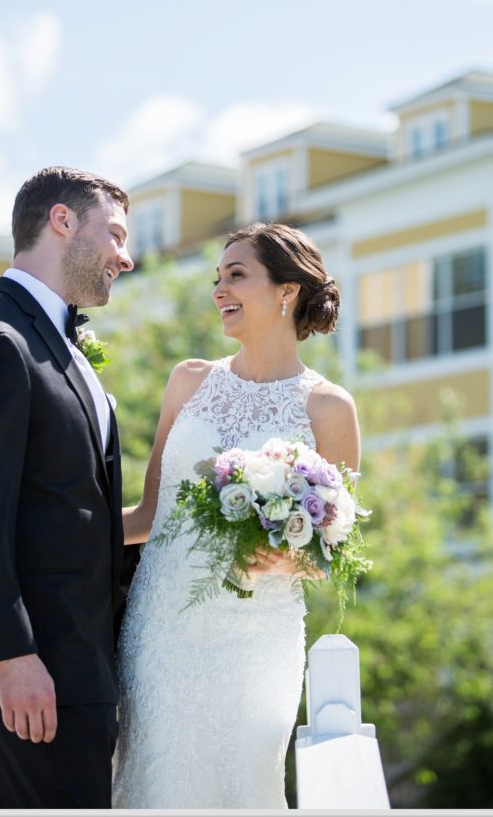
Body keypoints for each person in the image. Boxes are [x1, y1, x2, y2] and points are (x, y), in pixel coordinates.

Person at [113, 221, 361, 809]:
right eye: (217, 278)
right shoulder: (188, 381)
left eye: (236, 275)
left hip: (255, 644)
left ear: (287, 291)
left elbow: (333, 552)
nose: (219, 289)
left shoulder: (329, 407)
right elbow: (150, 512)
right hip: (160, 632)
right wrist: (49, 532)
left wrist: (289, 556)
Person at [0, 166, 136, 808]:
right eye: (117, 235)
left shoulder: (60, 344)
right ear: (62, 221)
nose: (125, 258)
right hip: (35, 679)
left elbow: (76, 513)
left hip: (81, 669)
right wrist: (12, 659)